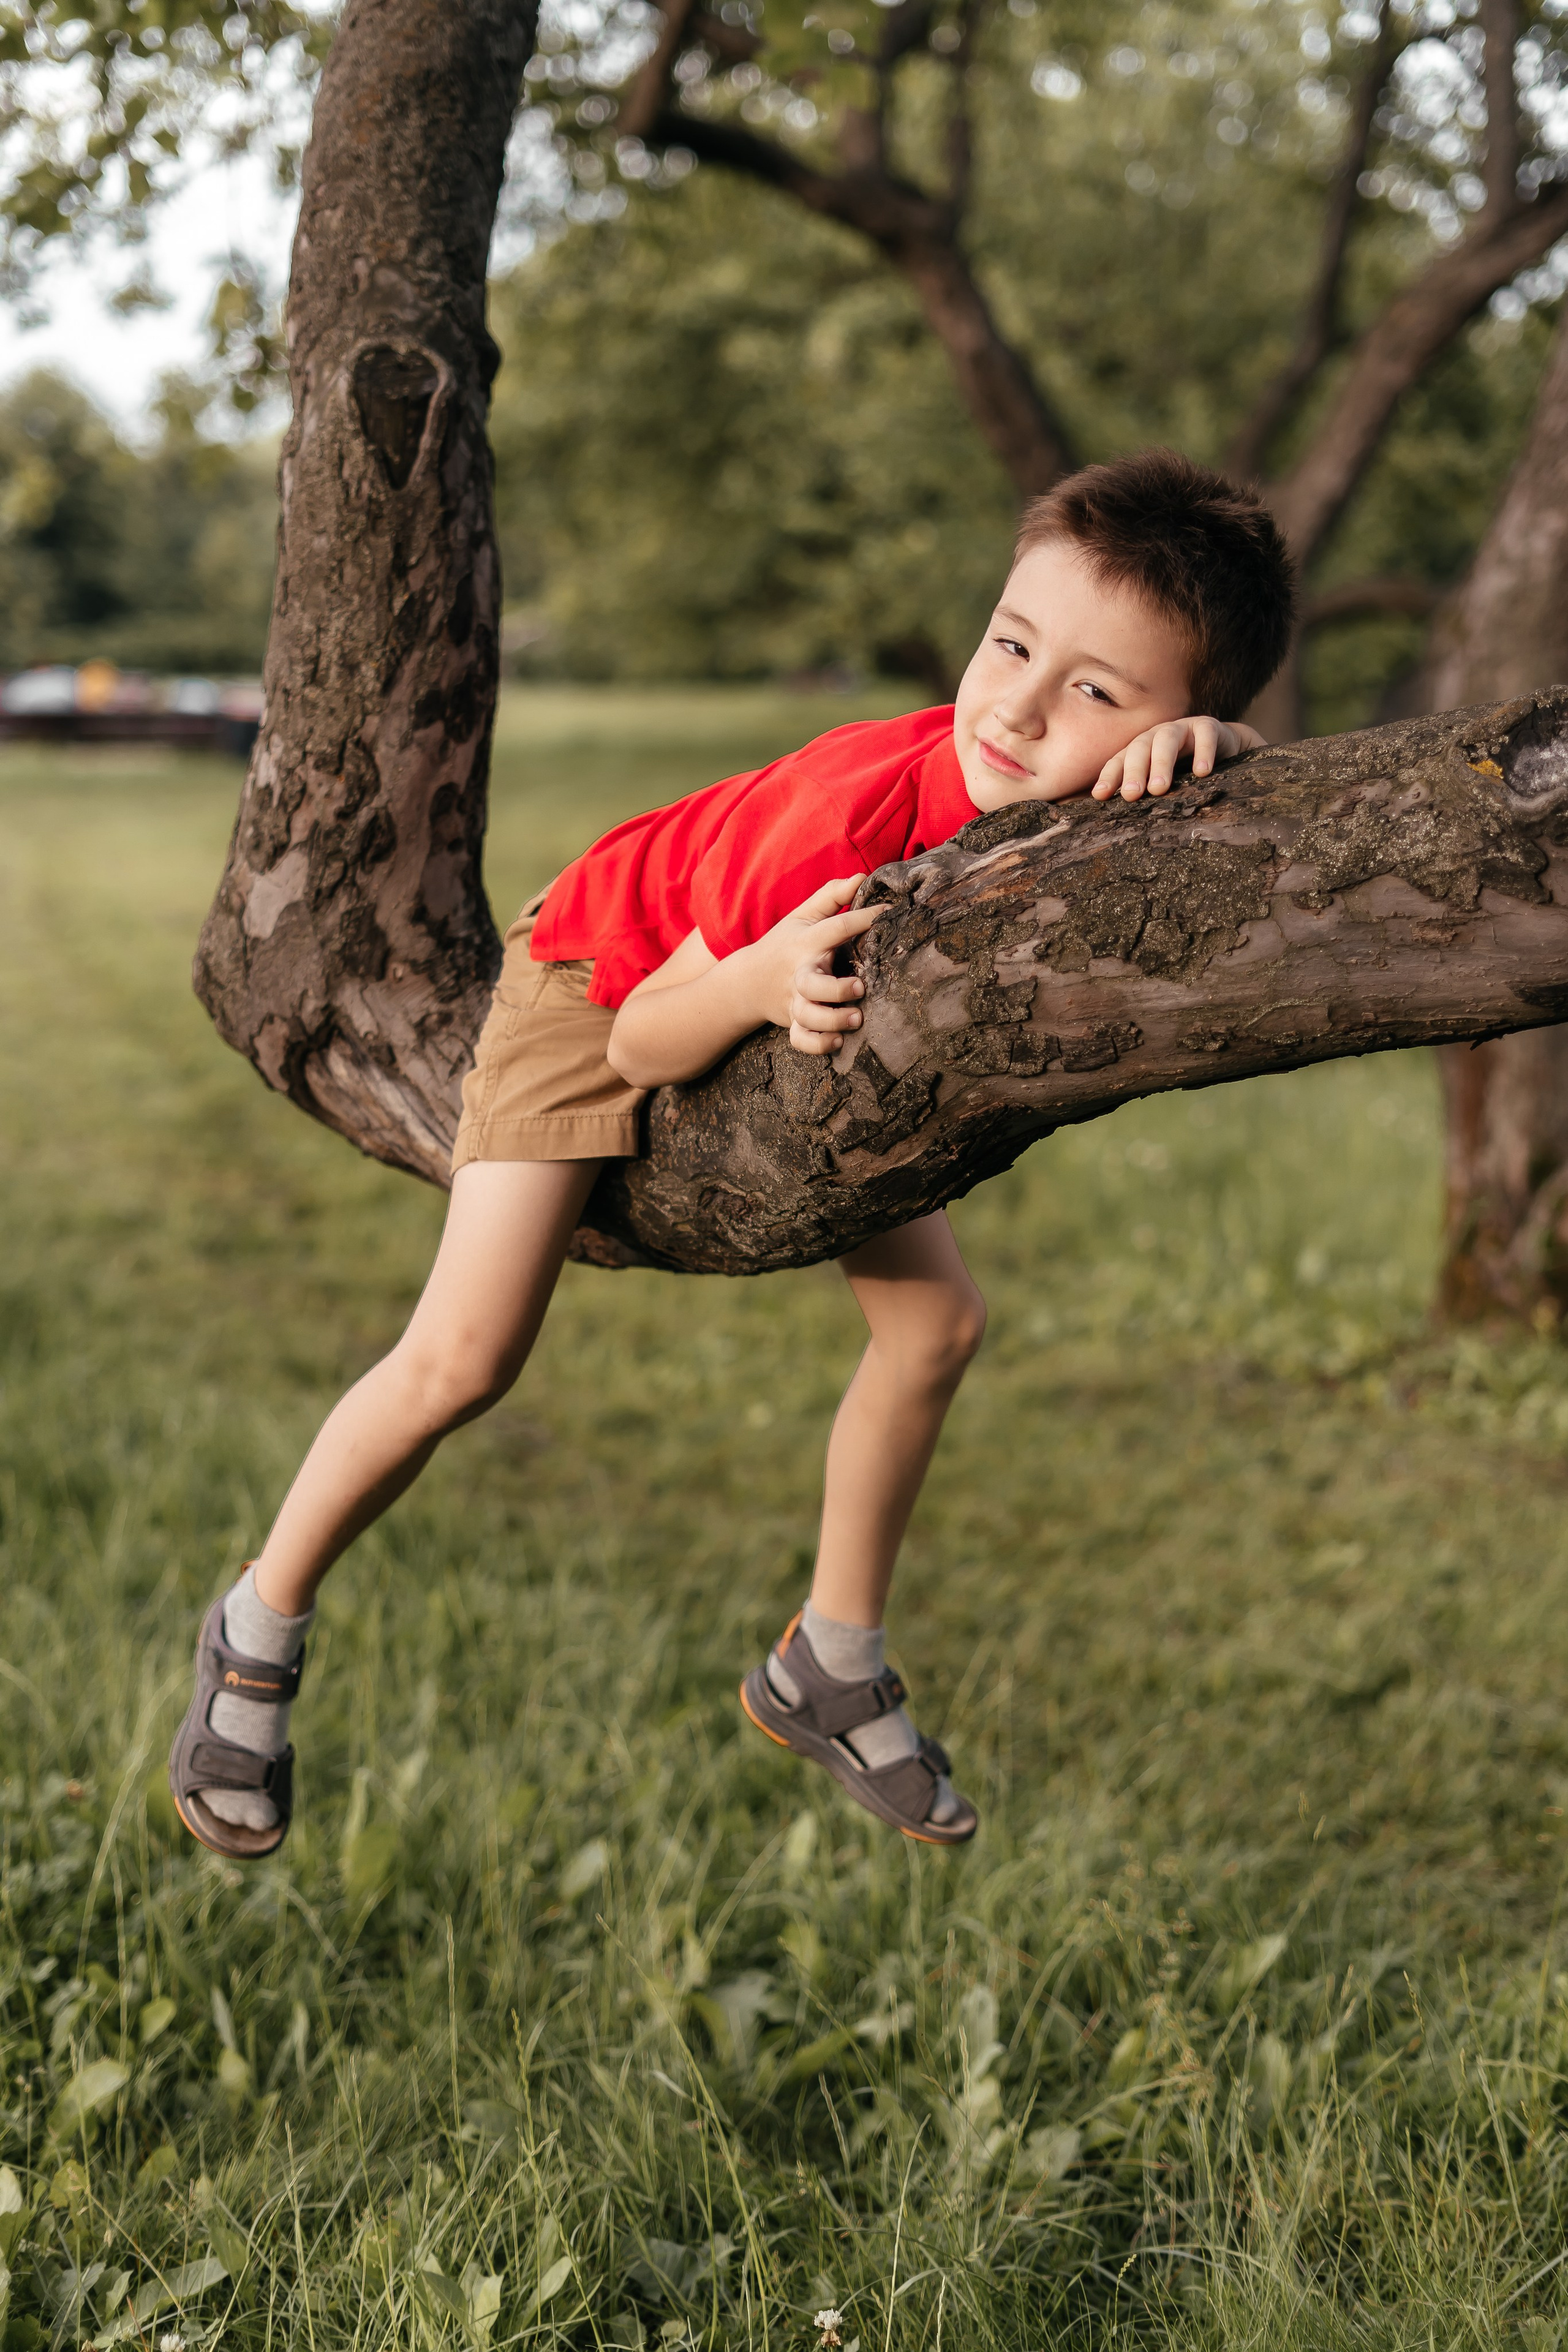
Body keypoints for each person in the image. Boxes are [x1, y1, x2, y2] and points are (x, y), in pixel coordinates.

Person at [169, 448, 1295, 1859]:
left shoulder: (1088, 787)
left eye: (1093, 692)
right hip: (605, 979)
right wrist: (758, 984)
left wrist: (1225, 756)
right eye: (1009, 642)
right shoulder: (845, 820)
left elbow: (1246, 785)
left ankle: (829, 1656)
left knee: (938, 1323)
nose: (1013, 706)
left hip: (783, 1003)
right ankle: (256, 1625)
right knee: (464, 1358)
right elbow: (642, 1043)